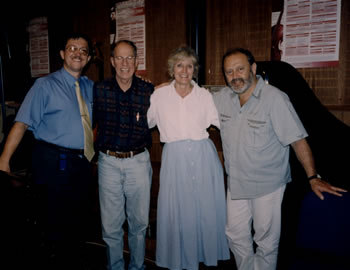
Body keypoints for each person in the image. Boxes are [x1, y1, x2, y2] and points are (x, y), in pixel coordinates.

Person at [213, 47, 347, 270]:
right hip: (236, 184)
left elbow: (298, 141)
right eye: (229, 72)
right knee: (235, 235)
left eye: (240, 69)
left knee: (265, 242)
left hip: (267, 185)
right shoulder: (222, 99)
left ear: (253, 69)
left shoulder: (275, 98)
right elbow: (192, 97)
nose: (235, 76)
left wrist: (313, 177)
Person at [0, 32, 95, 268]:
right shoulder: (44, 85)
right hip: (52, 160)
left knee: (78, 219)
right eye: (72, 48)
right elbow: (21, 123)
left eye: (83, 50)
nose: (78, 53)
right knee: (53, 221)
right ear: (63, 54)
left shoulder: (91, 87)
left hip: (82, 163)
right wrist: (4, 160)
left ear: (89, 58)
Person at [147, 46, 230, 270]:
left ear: (195, 70)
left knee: (204, 207)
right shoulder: (159, 95)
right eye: (179, 65)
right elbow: (145, 122)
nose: (184, 70)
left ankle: (205, 256)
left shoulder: (204, 95)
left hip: (204, 156)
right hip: (175, 158)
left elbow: (222, 123)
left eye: (189, 66)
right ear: (171, 69)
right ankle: (179, 258)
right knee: (176, 209)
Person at [93, 40, 153, 270]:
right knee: (110, 225)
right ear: (112, 61)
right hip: (108, 162)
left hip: (138, 161)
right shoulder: (100, 90)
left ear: (137, 61)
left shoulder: (148, 91)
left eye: (129, 58)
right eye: (119, 58)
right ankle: (115, 266)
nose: (125, 63)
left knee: (139, 224)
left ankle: (138, 267)